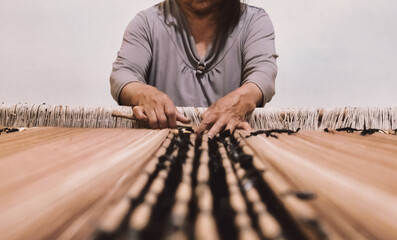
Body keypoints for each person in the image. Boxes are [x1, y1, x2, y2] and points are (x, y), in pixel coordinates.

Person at [110, 0, 278, 138]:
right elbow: (123, 74)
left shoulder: (254, 21)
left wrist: (241, 99)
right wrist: (142, 94)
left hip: (233, 148)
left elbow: (263, 74)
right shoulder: (146, 23)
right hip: (162, 151)